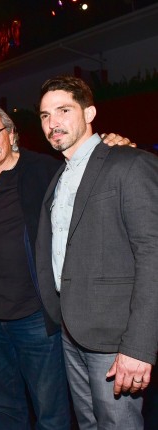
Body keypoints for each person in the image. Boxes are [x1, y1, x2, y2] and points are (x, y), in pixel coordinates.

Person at [35, 75, 158, 429]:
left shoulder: (129, 163)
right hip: (71, 329)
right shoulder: (60, 175)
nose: (53, 122)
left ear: (89, 113)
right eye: (45, 115)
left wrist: (139, 346)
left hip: (115, 337)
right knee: (89, 424)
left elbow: (152, 255)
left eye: (63, 110)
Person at [0, 104, 70, 429]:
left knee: (50, 411)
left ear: (11, 135)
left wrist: (115, 144)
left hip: (34, 317)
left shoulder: (45, 172)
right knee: (4, 406)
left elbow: (88, 169)